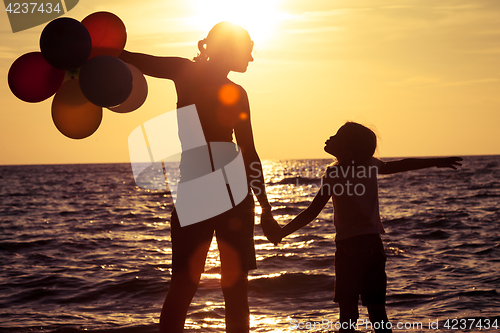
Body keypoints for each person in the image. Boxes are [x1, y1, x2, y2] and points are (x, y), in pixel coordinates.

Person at [120, 22, 280, 333]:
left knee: (184, 283)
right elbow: (249, 153)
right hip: (228, 190)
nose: (251, 57)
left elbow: (132, 57)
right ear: (229, 49)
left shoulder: (190, 75)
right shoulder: (222, 86)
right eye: (247, 49)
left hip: (201, 188)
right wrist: (266, 208)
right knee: (232, 289)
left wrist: (265, 207)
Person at [266, 122, 462, 333]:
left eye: (337, 136)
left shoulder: (334, 174)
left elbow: (312, 212)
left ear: (348, 148)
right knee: (378, 312)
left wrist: (282, 232)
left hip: (349, 248)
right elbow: (402, 164)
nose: (330, 138)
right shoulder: (370, 165)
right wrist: (436, 162)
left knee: (348, 313)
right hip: (374, 246)